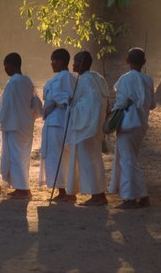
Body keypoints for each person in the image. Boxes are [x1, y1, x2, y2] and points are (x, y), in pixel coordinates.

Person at [109, 48, 155, 209]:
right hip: (141, 124)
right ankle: (141, 196)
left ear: (127, 61)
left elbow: (121, 103)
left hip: (126, 125)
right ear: (144, 62)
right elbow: (152, 104)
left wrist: (111, 116)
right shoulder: (148, 80)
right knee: (131, 159)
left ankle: (131, 197)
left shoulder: (124, 79)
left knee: (127, 161)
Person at [65, 51, 109, 206]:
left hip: (87, 128)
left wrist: (73, 107)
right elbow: (103, 102)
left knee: (87, 161)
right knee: (95, 159)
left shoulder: (84, 80)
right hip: (96, 126)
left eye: (76, 61)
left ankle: (97, 196)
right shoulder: (98, 78)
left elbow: (91, 105)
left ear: (82, 63)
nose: (73, 64)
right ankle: (99, 194)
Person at [0, 52, 42, 199]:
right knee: (22, 156)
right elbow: (36, 102)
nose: (5, 69)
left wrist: (1, 121)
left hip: (14, 125)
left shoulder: (13, 83)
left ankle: (23, 189)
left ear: (12, 65)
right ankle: (21, 187)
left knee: (16, 156)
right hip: (26, 124)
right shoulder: (27, 80)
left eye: (6, 66)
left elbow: (6, 105)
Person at [39, 48, 77, 201]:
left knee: (57, 155)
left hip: (56, 121)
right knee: (66, 155)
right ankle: (68, 190)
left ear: (61, 62)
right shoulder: (74, 78)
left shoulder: (59, 79)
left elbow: (51, 103)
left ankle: (63, 191)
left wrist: (47, 110)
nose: (51, 63)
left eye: (54, 60)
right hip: (67, 120)